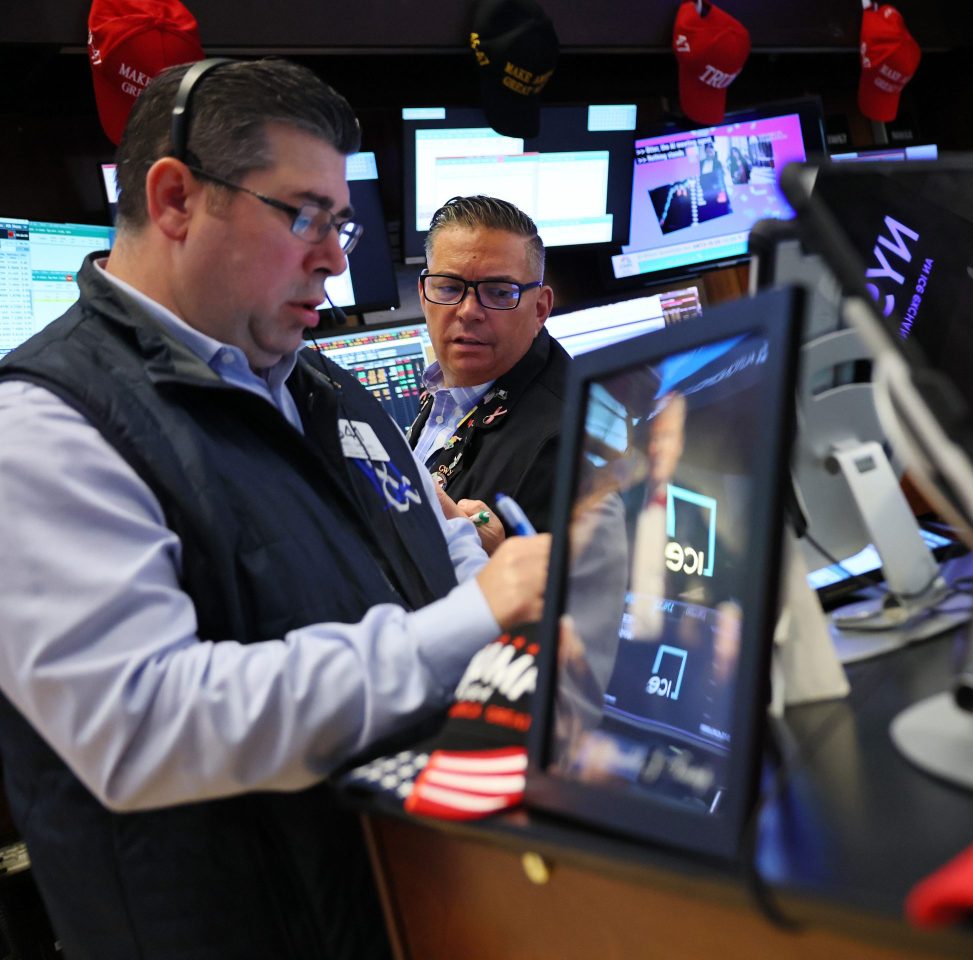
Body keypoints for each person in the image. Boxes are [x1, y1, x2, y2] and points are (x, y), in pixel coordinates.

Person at [0, 58, 550, 960]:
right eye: (305, 217)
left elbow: (432, 540)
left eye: (341, 223)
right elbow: (143, 727)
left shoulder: (318, 381)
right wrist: (474, 618)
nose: (338, 256)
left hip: (401, 898)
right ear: (176, 199)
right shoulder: (48, 426)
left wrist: (518, 605)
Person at [410, 195, 567, 548]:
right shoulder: (447, 388)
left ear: (540, 309)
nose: (468, 311)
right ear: (423, 294)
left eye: (498, 293)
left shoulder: (562, 446)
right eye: (449, 288)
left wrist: (490, 562)